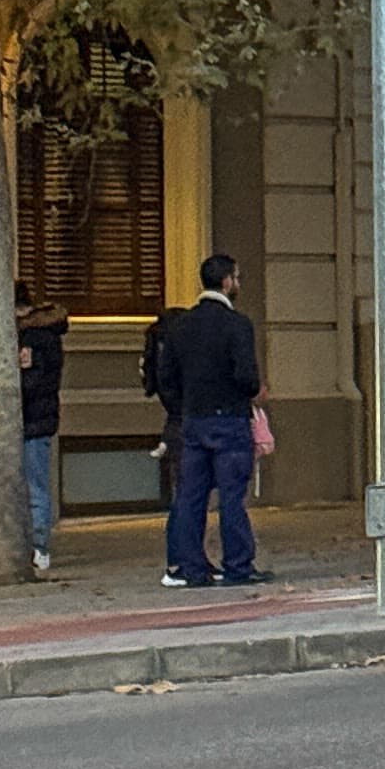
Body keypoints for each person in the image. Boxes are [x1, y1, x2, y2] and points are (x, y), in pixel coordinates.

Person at [147, 251, 263, 589]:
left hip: (193, 419)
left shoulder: (181, 326)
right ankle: (237, 565)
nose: (238, 284)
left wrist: (185, 406)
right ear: (227, 282)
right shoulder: (238, 325)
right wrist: (245, 392)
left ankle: (191, 566)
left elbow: (166, 376)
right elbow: (248, 377)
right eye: (237, 278)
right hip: (229, 419)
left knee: (190, 496)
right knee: (231, 497)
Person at [16, 281, 66, 579]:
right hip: (39, 418)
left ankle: (39, 546)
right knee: (36, 485)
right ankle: (39, 546)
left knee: (34, 487)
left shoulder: (32, 338)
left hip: (32, 418)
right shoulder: (46, 335)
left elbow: (33, 381)